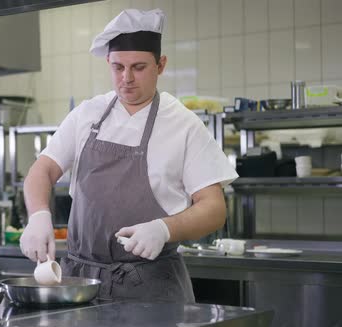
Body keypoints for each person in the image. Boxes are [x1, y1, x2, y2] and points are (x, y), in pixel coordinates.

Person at [19, 8, 238, 302]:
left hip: (150, 288)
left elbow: (214, 208)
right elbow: (42, 170)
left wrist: (164, 228)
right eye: (117, 67)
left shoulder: (183, 124)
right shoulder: (88, 114)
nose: (126, 78)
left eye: (138, 67)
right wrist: (38, 216)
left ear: (161, 65)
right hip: (81, 286)